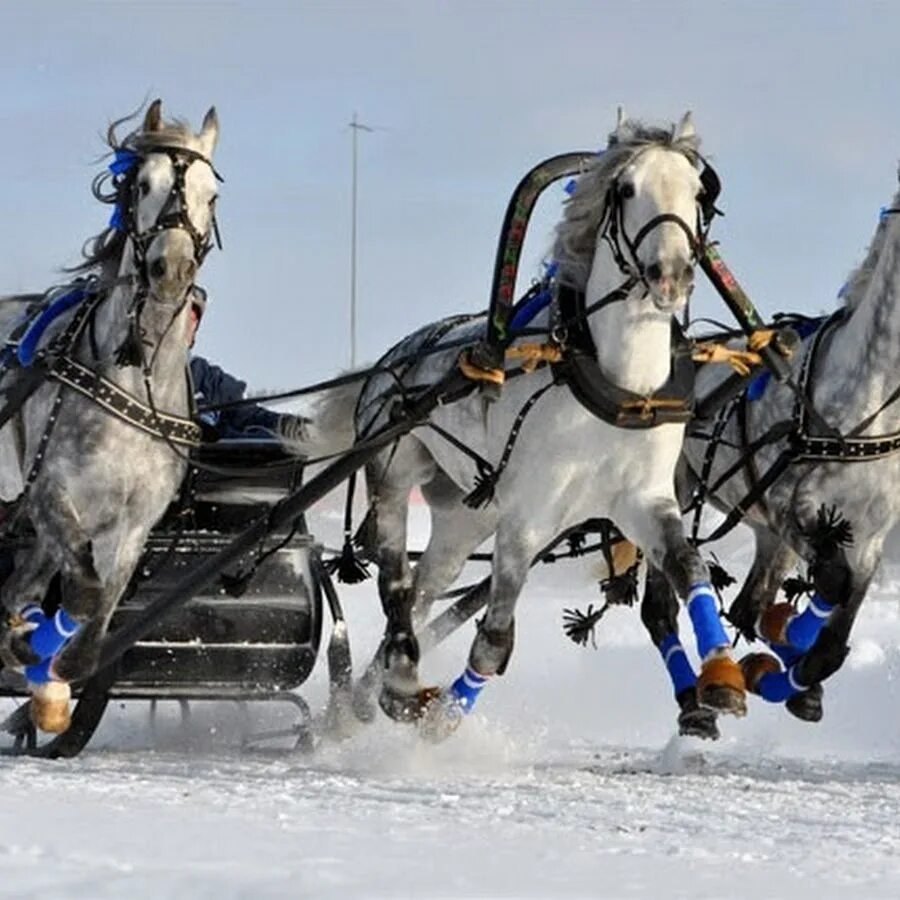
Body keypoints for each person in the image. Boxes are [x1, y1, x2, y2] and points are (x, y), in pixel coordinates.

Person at [187, 289, 307, 442]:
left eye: (192, 318)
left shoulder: (208, 378)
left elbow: (246, 415)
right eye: (178, 318)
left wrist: (291, 426)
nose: (185, 325)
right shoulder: (147, 377)